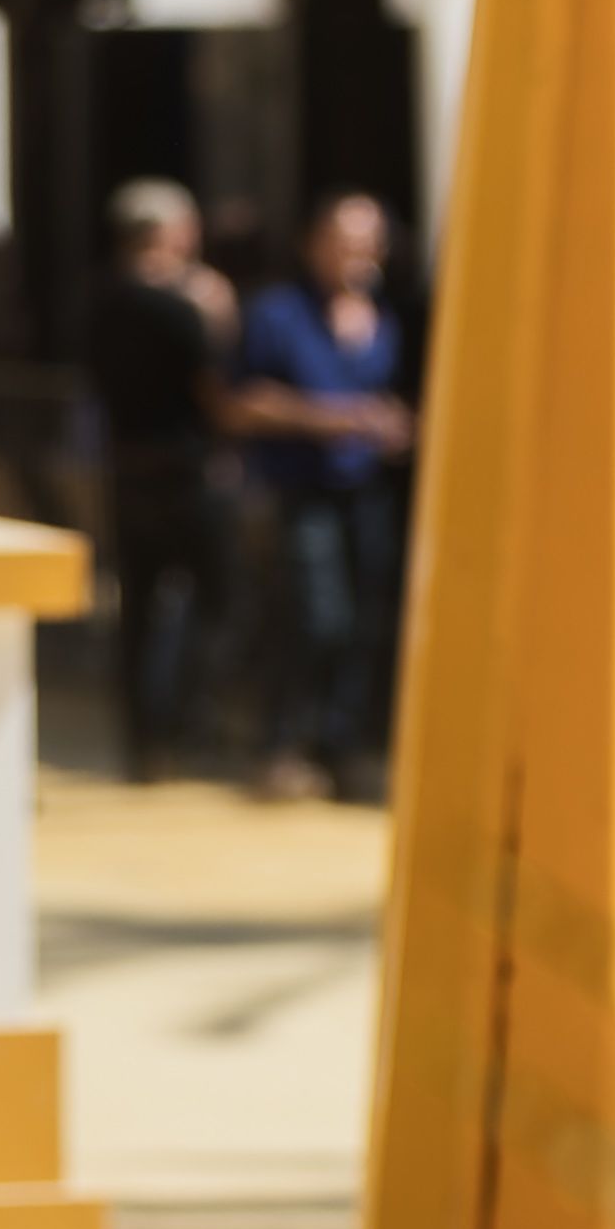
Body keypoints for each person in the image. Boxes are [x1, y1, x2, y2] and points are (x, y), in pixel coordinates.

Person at [229, 193, 415, 801]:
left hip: (366, 489)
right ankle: (283, 744)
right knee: (316, 614)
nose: (356, 253)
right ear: (314, 244)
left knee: (365, 619)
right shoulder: (278, 314)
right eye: (343, 239)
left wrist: (392, 425)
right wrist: (337, 419)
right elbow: (243, 402)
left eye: (368, 242)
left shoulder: (389, 319)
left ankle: (341, 748)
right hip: (299, 487)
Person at [86, 178, 238, 781]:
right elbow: (216, 388)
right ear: (171, 234)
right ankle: (190, 724)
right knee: (215, 602)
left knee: (139, 610)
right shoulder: (185, 306)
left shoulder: (99, 302)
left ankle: (143, 741)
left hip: (126, 468)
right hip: (187, 470)